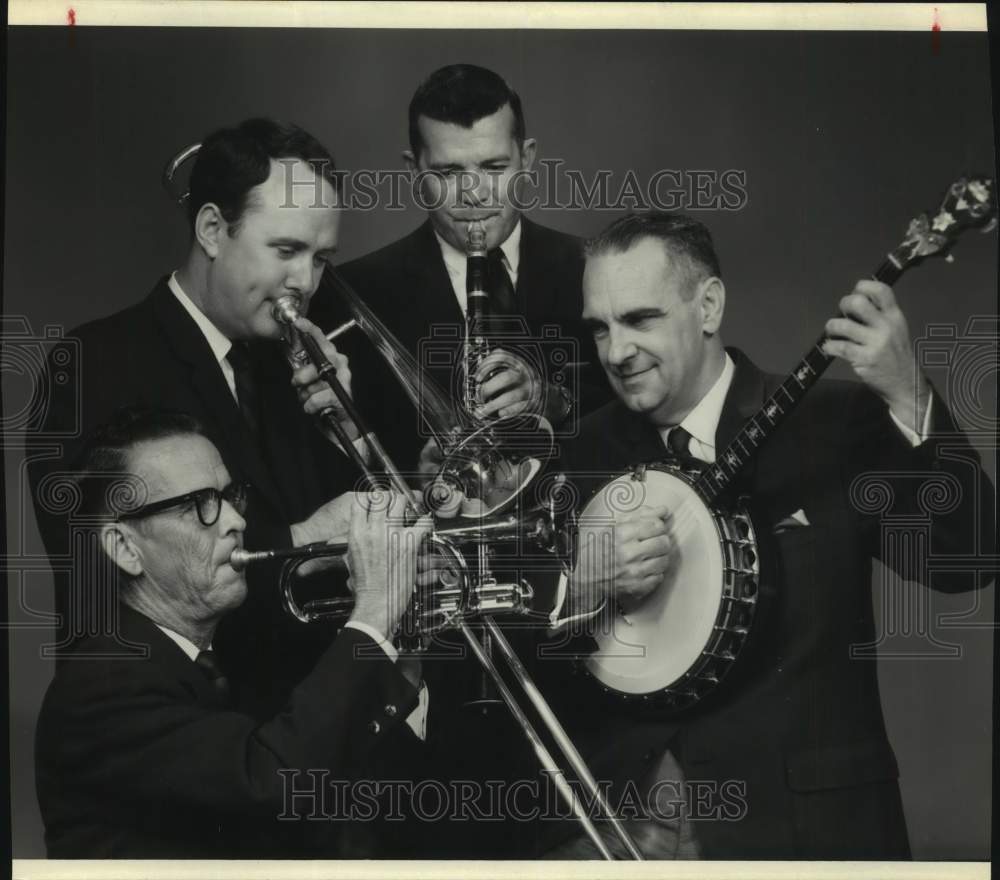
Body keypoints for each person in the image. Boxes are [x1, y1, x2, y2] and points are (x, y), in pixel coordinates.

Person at [536, 211, 995, 859]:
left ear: (709, 305)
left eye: (641, 319)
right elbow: (518, 646)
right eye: (600, 328)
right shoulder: (582, 451)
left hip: (797, 833)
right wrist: (572, 586)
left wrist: (906, 392)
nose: (615, 351)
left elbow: (965, 557)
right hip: (613, 831)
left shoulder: (833, 424)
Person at [28, 118, 367, 714]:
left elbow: (349, 554)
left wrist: (348, 436)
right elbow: (103, 581)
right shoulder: (93, 364)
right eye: (286, 250)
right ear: (212, 229)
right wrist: (302, 540)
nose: (306, 282)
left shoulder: (292, 368)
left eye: (320, 259)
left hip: (303, 734)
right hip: (180, 727)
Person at [34, 408, 433, 858]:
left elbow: (328, 795)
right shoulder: (101, 687)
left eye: (229, 496)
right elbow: (273, 785)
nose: (236, 521)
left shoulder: (207, 660)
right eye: (197, 504)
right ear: (125, 548)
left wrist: (401, 632)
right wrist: (376, 606)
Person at [310, 63, 612, 473]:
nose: (473, 195)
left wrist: (555, 399)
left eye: (493, 168)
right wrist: (418, 476)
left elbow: (641, 406)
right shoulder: (349, 292)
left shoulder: (595, 266)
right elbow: (333, 454)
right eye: (449, 172)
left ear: (527, 159)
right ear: (414, 171)